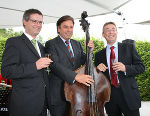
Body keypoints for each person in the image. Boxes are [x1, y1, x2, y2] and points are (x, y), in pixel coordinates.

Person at [1, 9, 52, 116]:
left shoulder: (42, 47)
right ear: (25, 21)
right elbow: (6, 71)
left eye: (40, 22)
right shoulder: (14, 42)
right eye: (34, 21)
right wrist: (35, 66)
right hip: (24, 105)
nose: (38, 25)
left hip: (43, 105)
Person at [45, 15, 94, 116]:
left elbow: (85, 62)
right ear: (58, 29)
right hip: (59, 94)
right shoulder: (51, 44)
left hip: (76, 93)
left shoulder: (77, 44)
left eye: (71, 27)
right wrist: (75, 76)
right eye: (65, 27)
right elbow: (54, 65)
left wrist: (90, 52)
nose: (69, 30)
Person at [94, 22, 145, 116]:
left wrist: (125, 68)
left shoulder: (129, 48)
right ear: (103, 34)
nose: (111, 32)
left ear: (116, 32)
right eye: (107, 30)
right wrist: (96, 69)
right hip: (110, 96)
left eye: (113, 29)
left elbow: (141, 67)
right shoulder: (99, 55)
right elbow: (96, 78)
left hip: (129, 94)